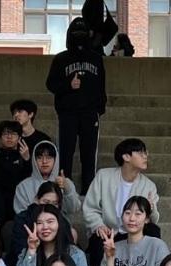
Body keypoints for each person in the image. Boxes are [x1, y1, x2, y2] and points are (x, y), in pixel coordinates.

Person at [83, 138, 160, 266]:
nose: (146, 156)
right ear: (126, 156)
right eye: (141, 152)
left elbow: (153, 219)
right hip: (109, 230)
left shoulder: (149, 185)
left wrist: (151, 209)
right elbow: (90, 208)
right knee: (99, 237)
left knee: (153, 230)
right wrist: (98, 225)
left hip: (134, 231)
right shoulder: (103, 176)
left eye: (146, 153)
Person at [45, 17, 106, 195]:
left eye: (82, 32)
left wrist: (100, 107)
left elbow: (102, 85)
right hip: (68, 113)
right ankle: (64, 191)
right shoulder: (60, 59)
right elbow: (50, 84)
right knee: (66, 152)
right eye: (76, 32)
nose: (79, 36)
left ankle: (88, 192)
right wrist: (68, 85)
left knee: (89, 154)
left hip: (90, 113)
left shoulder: (96, 59)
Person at [102, 196, 168, 266]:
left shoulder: (157, 246)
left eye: (138, 214)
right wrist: (110, 258)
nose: (132, 218)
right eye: (127, 213)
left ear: (147, 219)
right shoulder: (114, 247)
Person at [15, 203, 89, 266]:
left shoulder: (76, 254)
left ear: (59, 224)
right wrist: (32, 251)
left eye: (50, 221)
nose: (45, 227)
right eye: (39, 223)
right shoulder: (28, 252)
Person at [4, 181, 72, 266]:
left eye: (54, 204)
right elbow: (18, 250)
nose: (50, 207)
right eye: (46, 202)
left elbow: (68, 246)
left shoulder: (63, 221)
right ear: (37, 199)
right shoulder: (23, 219)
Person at [13, 140, 81, 218]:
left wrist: (67, 190)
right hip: (31, 225)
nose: (44, 161)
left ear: (56, 160)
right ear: (34, 160)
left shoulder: (65, 183)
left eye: (49, 157)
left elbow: (73, 210)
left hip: (61, 225)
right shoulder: (23, 186)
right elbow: (21, 214)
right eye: (39, 158)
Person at [0, 120, 31, 217]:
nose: (9, 137)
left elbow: (28, 179)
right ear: (0, 137)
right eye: (6, 134)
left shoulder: (24, 157)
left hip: (20, 201)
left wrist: (27, 160)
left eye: (13, 134)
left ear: (19, 137)